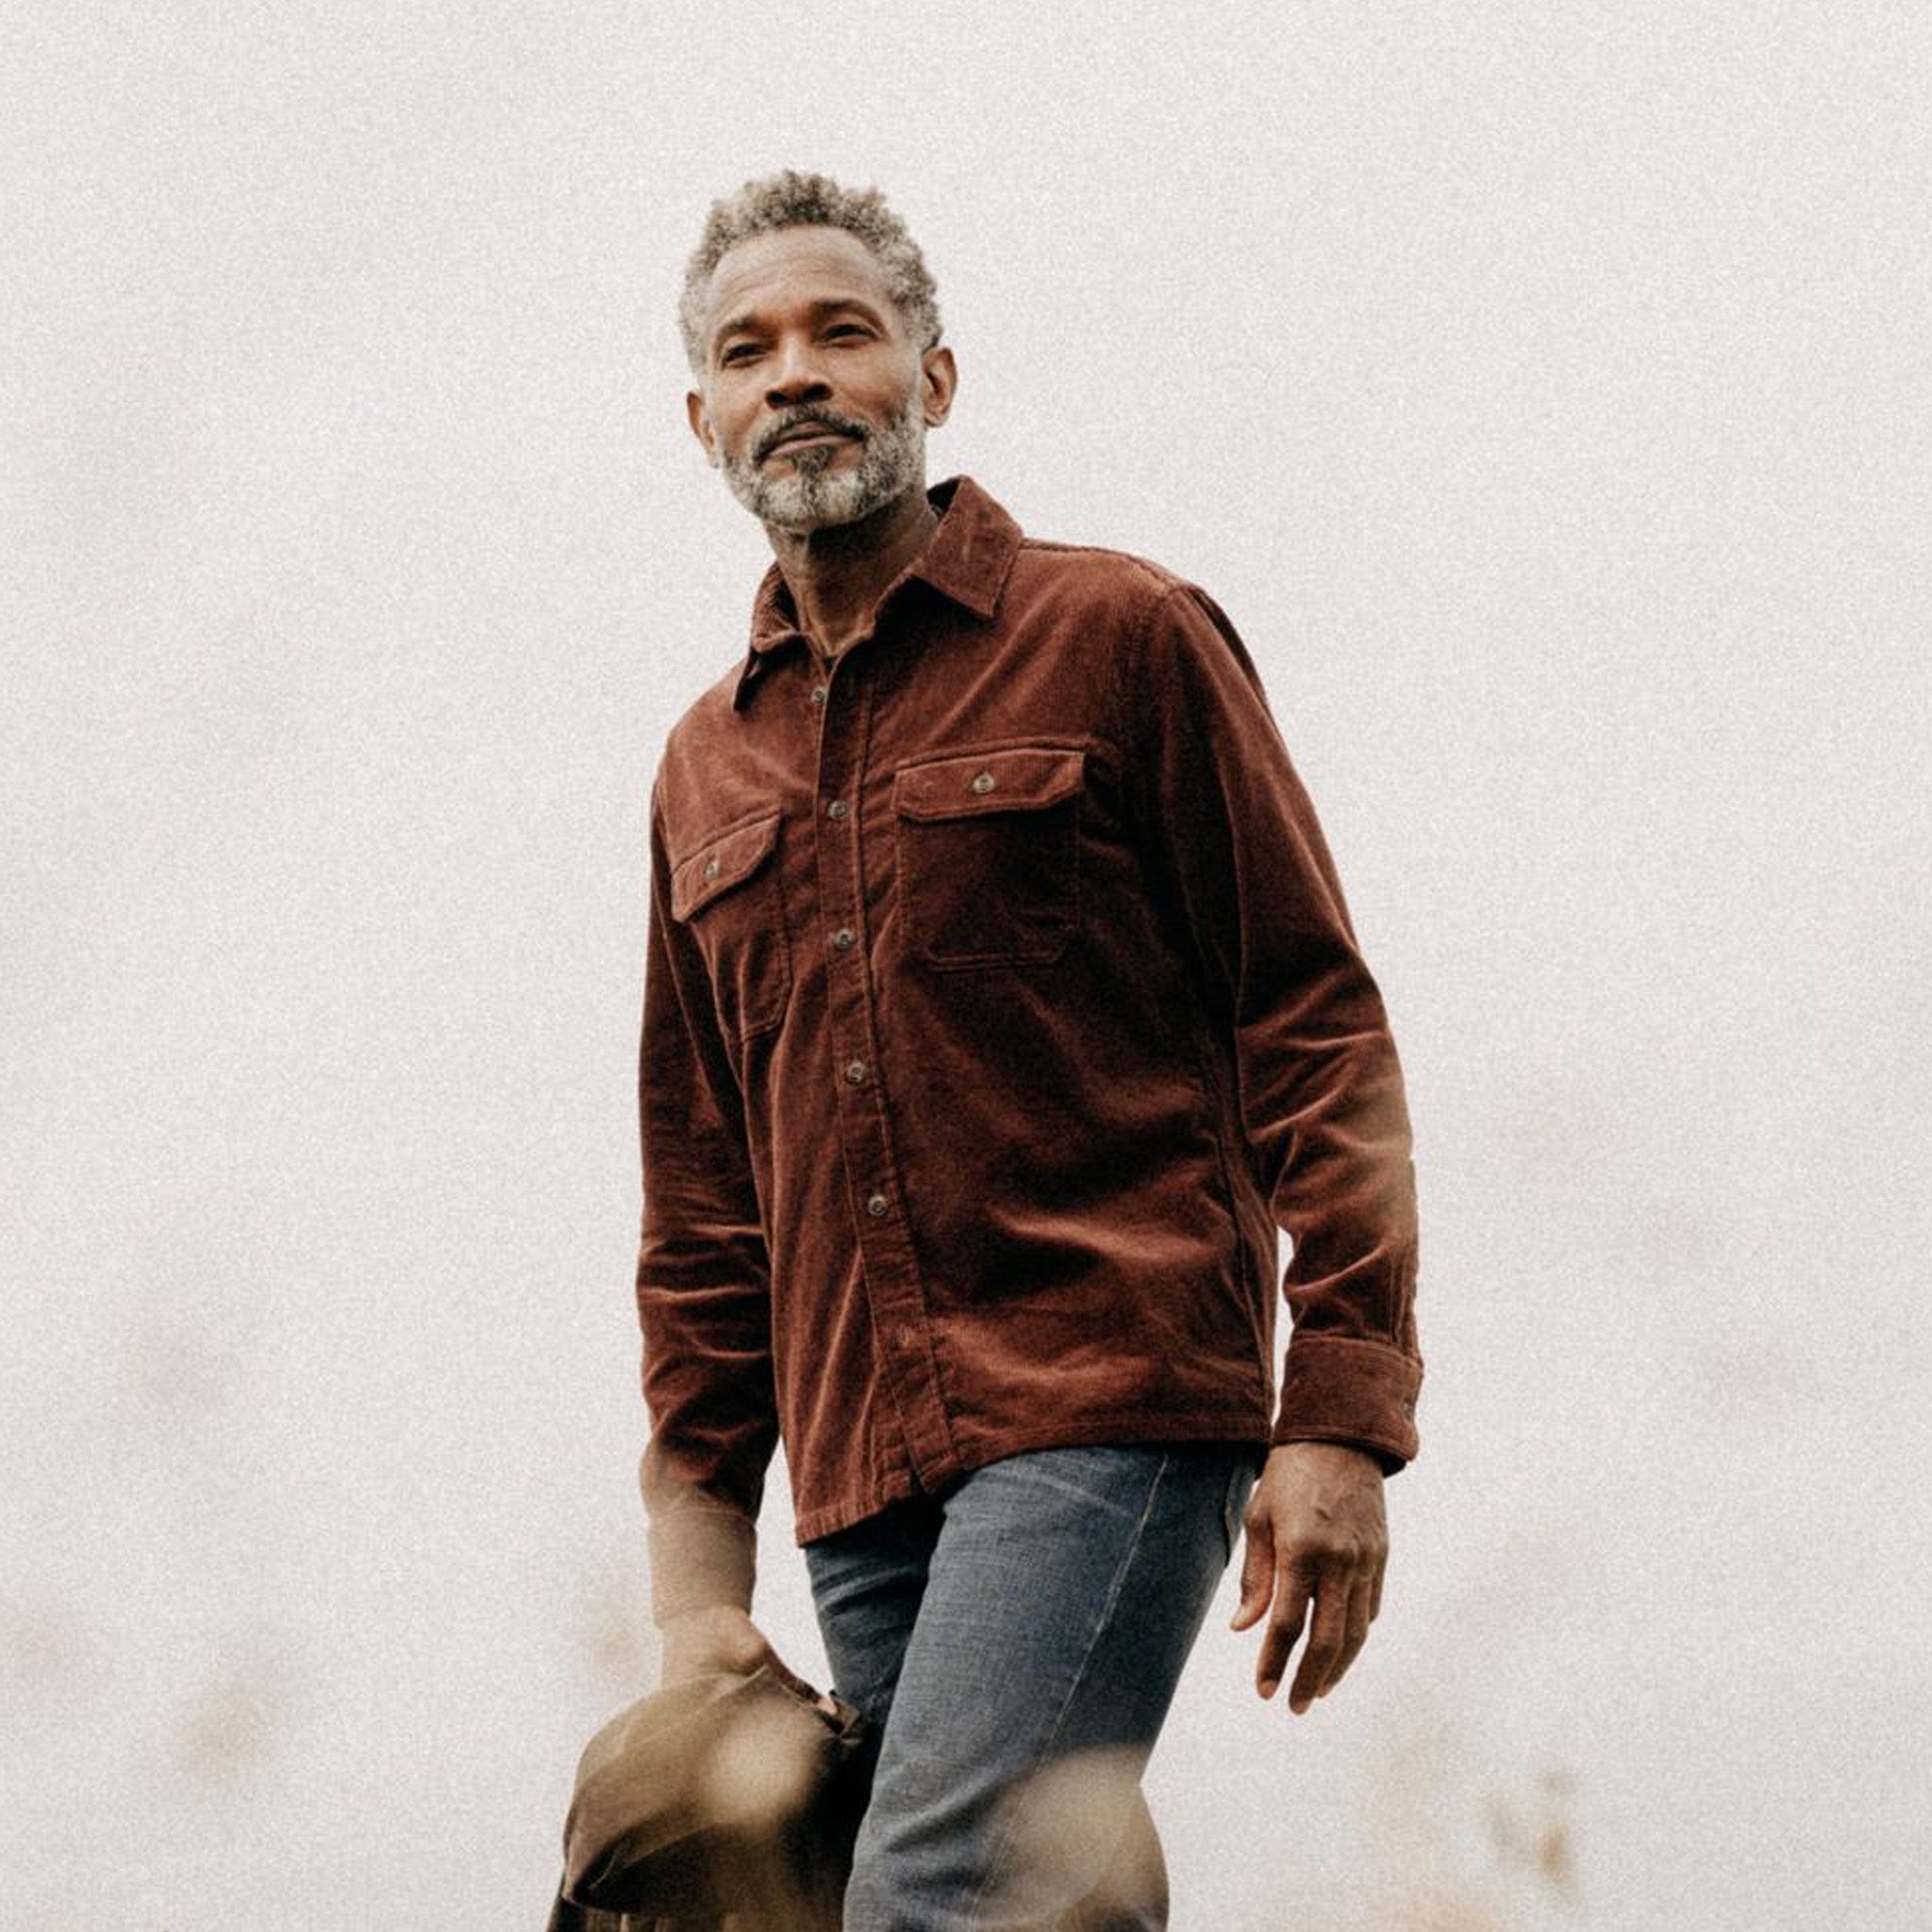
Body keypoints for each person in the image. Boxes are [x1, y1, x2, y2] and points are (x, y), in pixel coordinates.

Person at [633, 169, 1423, 1931]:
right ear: (703, 421)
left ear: (935, 375)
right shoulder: (704, 769)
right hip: (860, 1480)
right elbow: (701, 1208)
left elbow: (1313, 1021)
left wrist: (1345, 1414)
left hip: (1110, 1398)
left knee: (925, 1898)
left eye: (845, 330)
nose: (799, 376)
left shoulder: (1123, 637)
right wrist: (701, 1570)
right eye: (750, 352)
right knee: (1055, 1907)